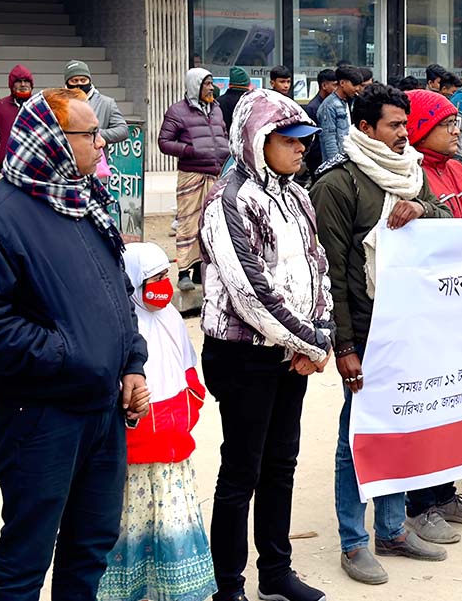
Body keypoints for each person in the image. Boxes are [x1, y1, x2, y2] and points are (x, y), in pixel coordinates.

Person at [0, 87, 150, 600]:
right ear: (53, 141)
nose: (103, 144)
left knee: (90, 550)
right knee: (25, 560)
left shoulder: (85, 201)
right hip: (41, 418)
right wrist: (72, 356)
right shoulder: (2, 215)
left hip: (104, 413)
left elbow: (119, 294)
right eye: (90, 134)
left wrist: (131, 362)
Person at [309, 83, 450, 586]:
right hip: (366, 333)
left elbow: (445, 219)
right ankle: (354, 541)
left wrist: (422, 210)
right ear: (364, 127)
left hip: (409, 324)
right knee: (358, 436)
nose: (403, 134)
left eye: (405, 125)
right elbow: (332, 274)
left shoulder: (410, 172)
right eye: (393, 125)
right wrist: (343, 345)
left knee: (400, 427)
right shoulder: (338, 184)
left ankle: (392, 527)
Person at [199, 89, 333, 601]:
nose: (302, 149)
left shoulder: (296, 193)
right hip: (243, 356)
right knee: (241, 470)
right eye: (290, 140)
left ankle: (276, 573)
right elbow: (251, 292)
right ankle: (227, 586)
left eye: (305, 140)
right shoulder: (229, 199)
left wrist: (315, 336)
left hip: (291, 355)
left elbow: (317, 268)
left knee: (282, 463)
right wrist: (312, 343)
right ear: (258, 141)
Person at [400, 89, 462, 544]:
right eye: (446, 125)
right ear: (419, 128)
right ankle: (419, 505)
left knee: (459, 404)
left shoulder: (459, 167)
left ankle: (443, 493)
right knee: (428, 408)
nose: (457, 132)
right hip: (429, 309)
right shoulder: (410, 173)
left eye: (458, 124)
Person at [99, 242, 215, 601]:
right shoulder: (117, 324)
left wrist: (185, 410)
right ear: (132, 281)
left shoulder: (172, 318)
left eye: (166, 275)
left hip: (171, 446)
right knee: (127, 524)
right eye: (153, 278)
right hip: (131, 451)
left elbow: (188, 369)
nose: (162, 284)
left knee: (170, 520)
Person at [158, 68, 229, 292]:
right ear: (195, 86)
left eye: (211, 83)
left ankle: (202, 270)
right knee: (188, 222)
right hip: (192, 174)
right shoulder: (177, 111)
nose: (211, 87)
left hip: (215, 174)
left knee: (211, 223)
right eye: (206, 83)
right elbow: (164, 142)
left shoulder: (216, 109)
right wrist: (190, 150)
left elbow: (223, 135)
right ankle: (183, 272)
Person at [63, 59, 127, 144]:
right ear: (67, 83)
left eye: (83, 80)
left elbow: (122, 130)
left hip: (95, 154)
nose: (79, 84)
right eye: (74, 81)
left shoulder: (106, 103)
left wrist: (95, 134)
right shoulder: (58, 102)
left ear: (89, 81)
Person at [316, 64, 364, 171]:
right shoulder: (329, 106)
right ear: (342, 83)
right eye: (354, 85)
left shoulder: (349, 101)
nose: (357, 89)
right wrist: (336, 167)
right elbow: (329, 140)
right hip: (337, 165)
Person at [0, 65, 34, 178]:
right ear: (11, 84)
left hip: (34, 168)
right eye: (19, 81)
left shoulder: (39, 105)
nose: (23, 85)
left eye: (26, 81)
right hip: (5, 168)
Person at [217, 66, 252, 132]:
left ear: (230, 84)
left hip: (224, 140)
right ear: (247, 84)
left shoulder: (218, 102)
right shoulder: (251, 102)